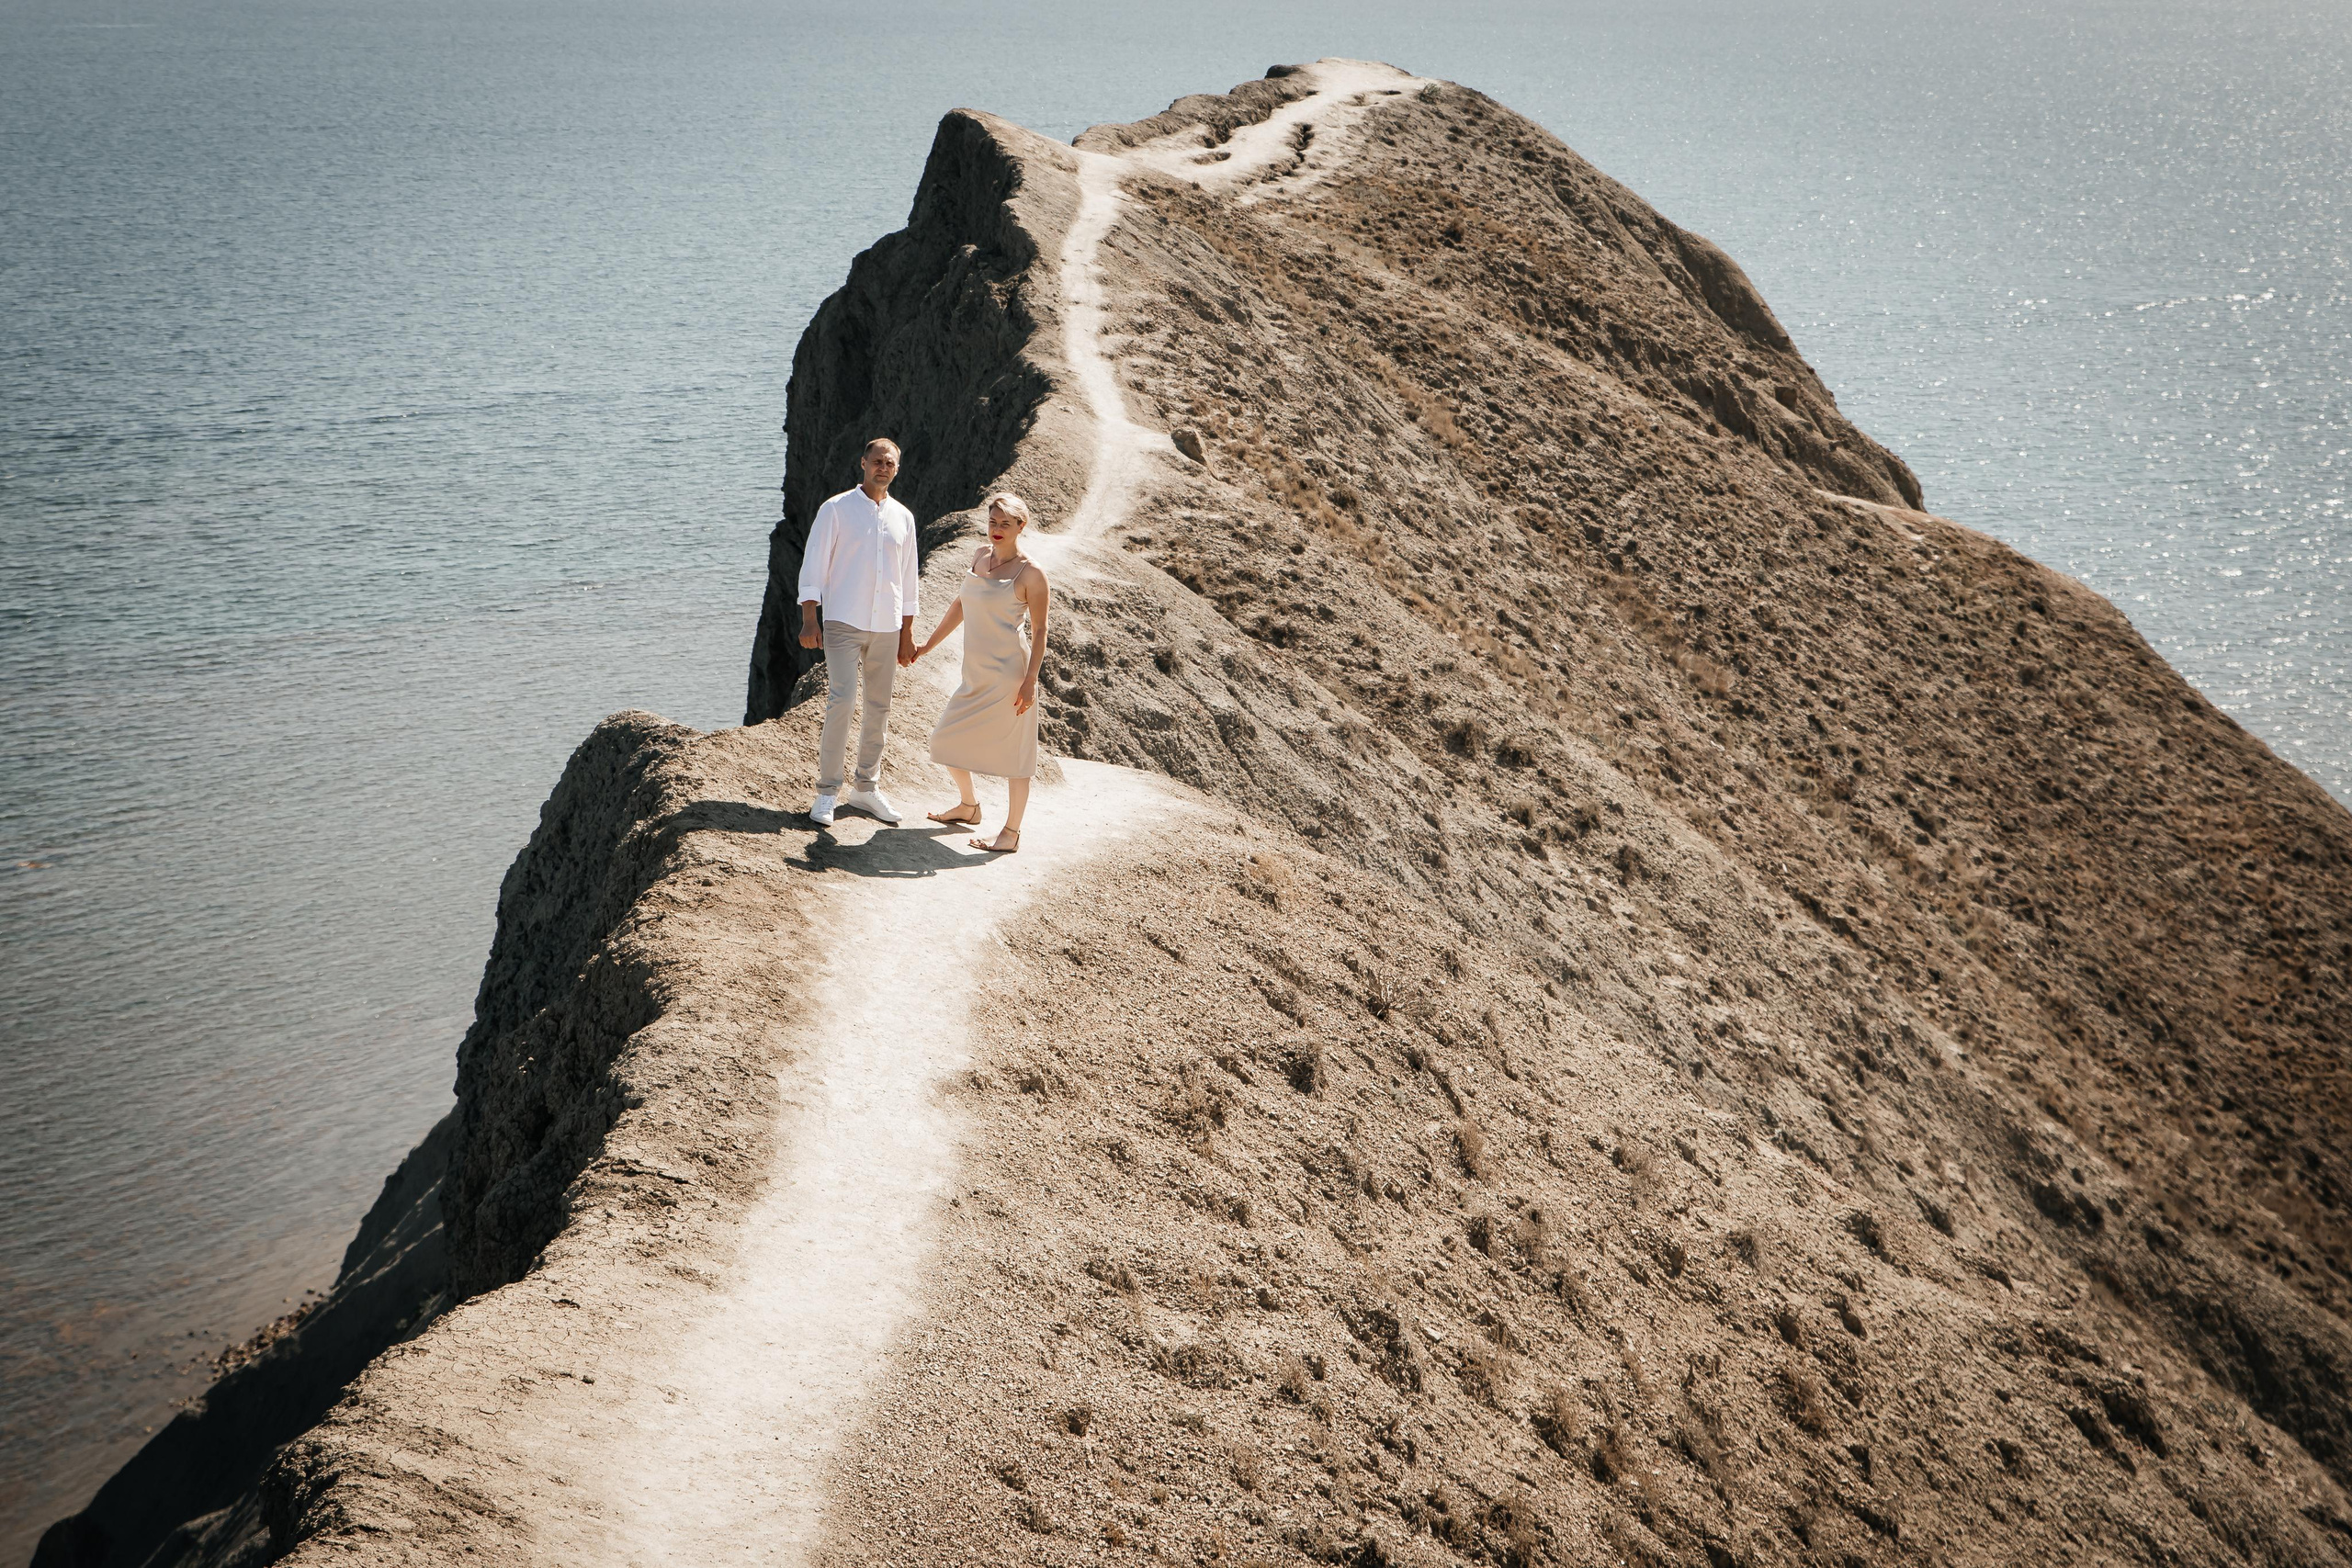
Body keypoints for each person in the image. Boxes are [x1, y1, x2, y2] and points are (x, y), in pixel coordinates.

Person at [916, 492, 1051, 853]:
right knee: (944, 740)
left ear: (1021, 527)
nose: (997, 529)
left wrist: (1030, 680)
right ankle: (969, 806)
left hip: (1010, 674)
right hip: (975, 672)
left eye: (1006, 523)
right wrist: (929, 645)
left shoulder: (1032, 573)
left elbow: (1040, 631)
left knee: (1015, 755)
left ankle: (1011, 832)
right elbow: (962, 602)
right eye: (993, 522)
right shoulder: (979, 556)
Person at [797, 438, 921, 828]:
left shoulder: (904, 517)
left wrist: (907, 634)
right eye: (877, 461)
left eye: (890, 463)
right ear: (863, 463)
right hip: (842, 622)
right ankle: (827, 792)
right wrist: (809, 618)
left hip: (887, 626)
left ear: (896, 469)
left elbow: (908, 581)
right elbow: (813, 565)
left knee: (879, 707)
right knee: (842, 700)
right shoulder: (835, 509)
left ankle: (866, 789)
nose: (883, 467)